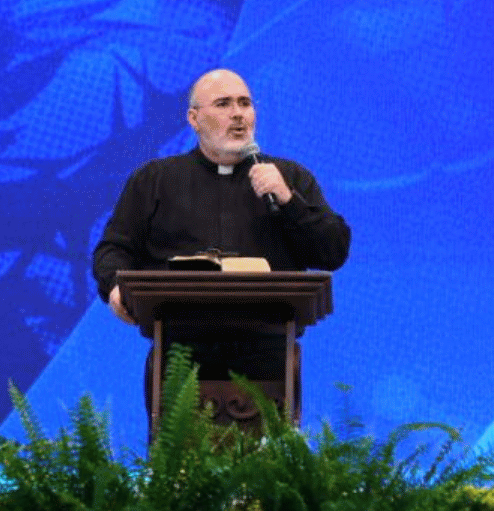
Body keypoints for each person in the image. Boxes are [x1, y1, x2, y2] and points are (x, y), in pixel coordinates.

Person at [92, 68, 350, 388]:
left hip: (267, 353)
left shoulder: (289, 178)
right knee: (178, 439)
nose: (238, 114)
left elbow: (333, 250)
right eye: (223, 104)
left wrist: (288, 200)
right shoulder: (154, 180)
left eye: (245, 103)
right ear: (194, 118)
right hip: (179, 353)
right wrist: (116, 288)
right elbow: (113, 249)